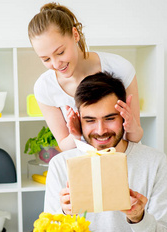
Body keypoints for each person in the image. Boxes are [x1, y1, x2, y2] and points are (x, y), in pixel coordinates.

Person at [44, 72, 167, 232]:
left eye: (110, 118)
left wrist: (139, 218)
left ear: (124, 116)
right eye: (90, 120)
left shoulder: (154, 162)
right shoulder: (60, 165)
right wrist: (64, 214)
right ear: (78, 120)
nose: (100, 130)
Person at [28, 2, 143, 151]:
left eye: (60, 52)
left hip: (123, 159)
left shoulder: (119, 68)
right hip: (82, 165)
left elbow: (136, 136)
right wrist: (75, 134)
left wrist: (131, 127)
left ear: (75, 35)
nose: (56, 64)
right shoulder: (45, 87)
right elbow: (64, 145)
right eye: (46, 59)